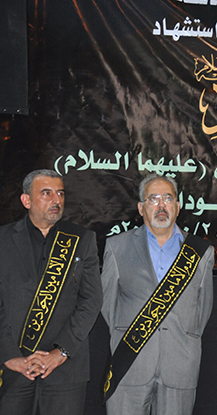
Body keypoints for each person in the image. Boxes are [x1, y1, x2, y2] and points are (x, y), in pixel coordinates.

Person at [101, 174, 215, 415]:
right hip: (130, 364)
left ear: (178, 206)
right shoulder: (117, 246)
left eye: (168, 198)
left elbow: (202, 310)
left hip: (180, 366)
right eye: (153, 199)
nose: (161, 205)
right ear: (141, 208)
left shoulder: (201, 252)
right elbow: (107, 306)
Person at [0, 169, 102, 415]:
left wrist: (60, 352)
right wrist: (10, 356)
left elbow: (91, 300)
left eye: (60, 193)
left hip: (66, 370)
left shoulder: (82, 239)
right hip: (14, 367)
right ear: (26, 200)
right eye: (46, 193)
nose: (57, 200)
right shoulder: (3, 239)